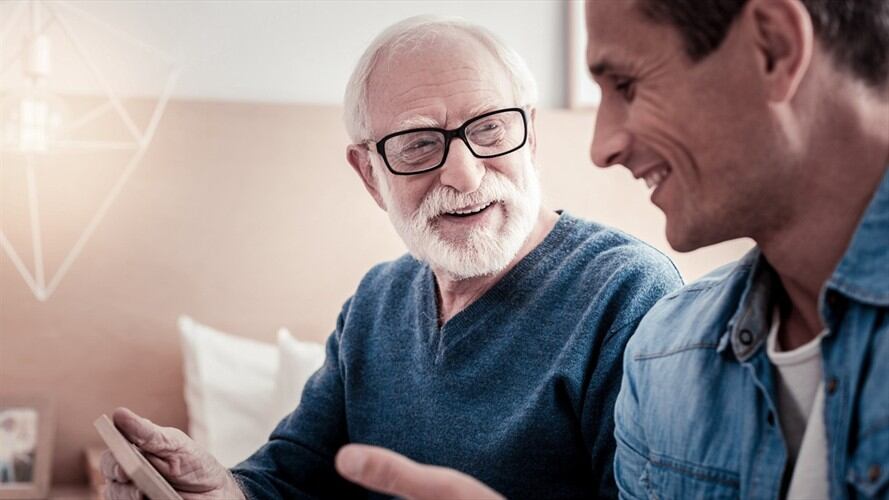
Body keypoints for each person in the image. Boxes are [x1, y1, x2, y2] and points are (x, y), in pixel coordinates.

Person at [100, 16, 682, 499]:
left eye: (491, 129)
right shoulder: (376, 302)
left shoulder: (630, 294)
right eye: (418, 144)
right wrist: (221, 488)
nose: (464, 171)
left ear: (530, 135)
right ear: (370, 176)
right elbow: (293, 475)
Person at [332, 0, 889, 498]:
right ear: (370, 175)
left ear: (773, 48)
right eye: (418, 144)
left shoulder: (637, 305)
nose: (602, 147)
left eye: (627, 85)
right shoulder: (676, 349)